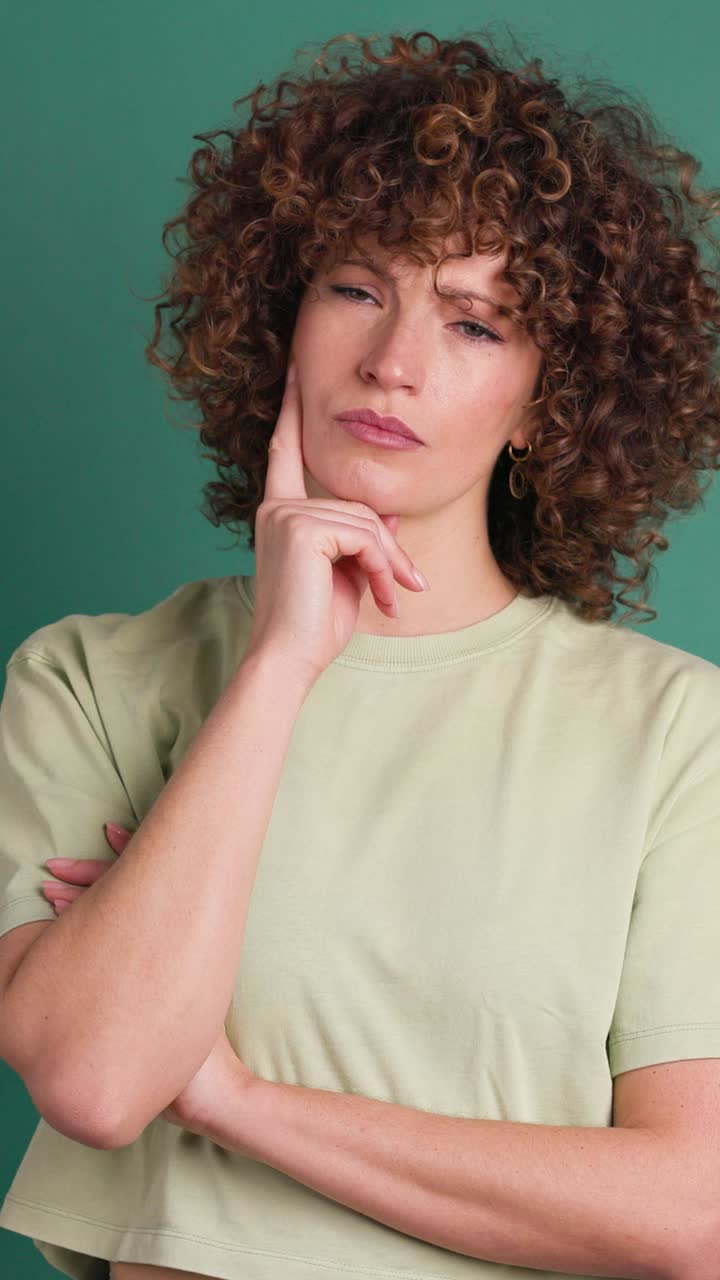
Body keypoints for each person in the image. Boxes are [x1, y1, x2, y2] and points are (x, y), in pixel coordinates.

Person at [1, 24, 720, 1280]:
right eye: (355, 288)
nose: (393, 362)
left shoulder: (671, 730)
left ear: (548, 400)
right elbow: (102, 1078)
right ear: (280, 317)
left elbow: (690, 1213)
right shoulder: (92, 681)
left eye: (476, 324)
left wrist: (229, 1097)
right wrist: (278, 666)